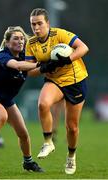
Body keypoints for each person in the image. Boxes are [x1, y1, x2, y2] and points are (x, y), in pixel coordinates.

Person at [25, 8, 89, 174]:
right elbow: (29, 71)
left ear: (48, 23)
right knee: (43, 104)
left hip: (75, 81)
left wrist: (67, 59)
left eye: (40, 23)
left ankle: (71, 157)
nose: (36, 28)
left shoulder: (60, 34)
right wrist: (44, 67)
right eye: (33, 24)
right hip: (54, 80)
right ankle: (48, 142)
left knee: (72, 128)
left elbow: (83, 48)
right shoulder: (31, 44)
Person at [0, 26, 43, 172]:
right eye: (16, 38)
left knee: (23, 133)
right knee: (1, 115)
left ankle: (28, 162)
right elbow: (17, 66)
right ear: (7, 42)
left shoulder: (26, 56)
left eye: (22, 38)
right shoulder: (1, 56)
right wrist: (39, 64)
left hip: (5, 99)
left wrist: (52, 63)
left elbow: (35, 68)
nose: (20, 41)